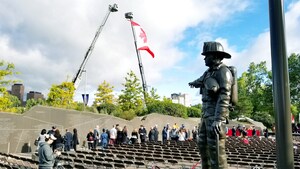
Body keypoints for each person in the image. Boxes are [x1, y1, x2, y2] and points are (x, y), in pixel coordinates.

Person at [189, 41, 234, 169]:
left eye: (206, 55)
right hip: (205, 116)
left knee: (216, 150)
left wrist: (219, 119)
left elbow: (224, 96)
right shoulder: (208, 72)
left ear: (214, 56)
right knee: (202, 145)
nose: (204, 58)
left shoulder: (223, 72)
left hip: (215, 117)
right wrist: (194, 83)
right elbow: (201, 80)